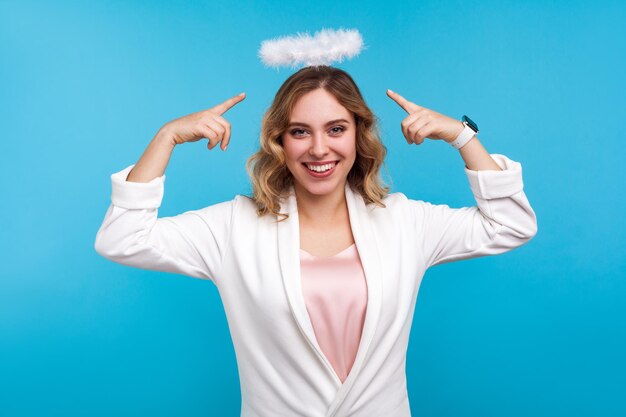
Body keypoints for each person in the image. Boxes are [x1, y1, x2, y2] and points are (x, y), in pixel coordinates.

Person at [94, 65, 537, 417]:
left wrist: (461, 136)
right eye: (300, 131)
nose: (319, 148)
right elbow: (122, 238)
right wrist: (166, 136)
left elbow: (511, 224)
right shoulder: (233, 227)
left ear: (359, 136)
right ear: (280, 142)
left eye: (336, 129)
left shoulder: (404, 222)